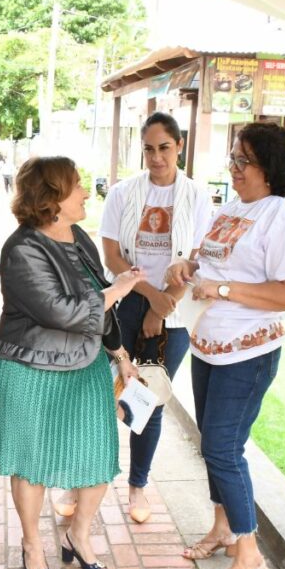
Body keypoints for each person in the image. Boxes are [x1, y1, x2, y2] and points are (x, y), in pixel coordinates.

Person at [0, 156, 144, 569]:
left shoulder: (80, 238)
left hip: (87, 364)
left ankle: (78, 534)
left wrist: (121, 354)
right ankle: (32, 543)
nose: (86, 192)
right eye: (76, 186)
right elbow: (62, 312)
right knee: (31, 462)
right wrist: (118, 289)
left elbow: (98, 307)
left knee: (98, 455)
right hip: (31, 368)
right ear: (52, 196)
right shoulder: (21, 249)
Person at [166, 121, 285, 569]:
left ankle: (250, 557)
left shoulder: (281, 216)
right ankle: (224, 528)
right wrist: (189, 265)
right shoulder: (231, 208)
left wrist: (224, 288)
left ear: (270, 168)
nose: (234, 168)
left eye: (243, 161)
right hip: (208, 345)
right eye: (233, 158)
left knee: (223, 449)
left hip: (247, 352)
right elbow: (208, 259)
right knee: (215, 443)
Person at [82, 112, 213, 524]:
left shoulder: (196, 196)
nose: (156, 158)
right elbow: (112, 255)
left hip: (173, 310)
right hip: (128, 300)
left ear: (179, 147)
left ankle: (138, 486)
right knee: (104, 393)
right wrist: (150, 298)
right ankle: (82, 479)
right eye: (149, 149)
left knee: (148, 398)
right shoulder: (123, 193)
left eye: (165, 148)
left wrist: (164, 304)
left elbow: (197, 258)